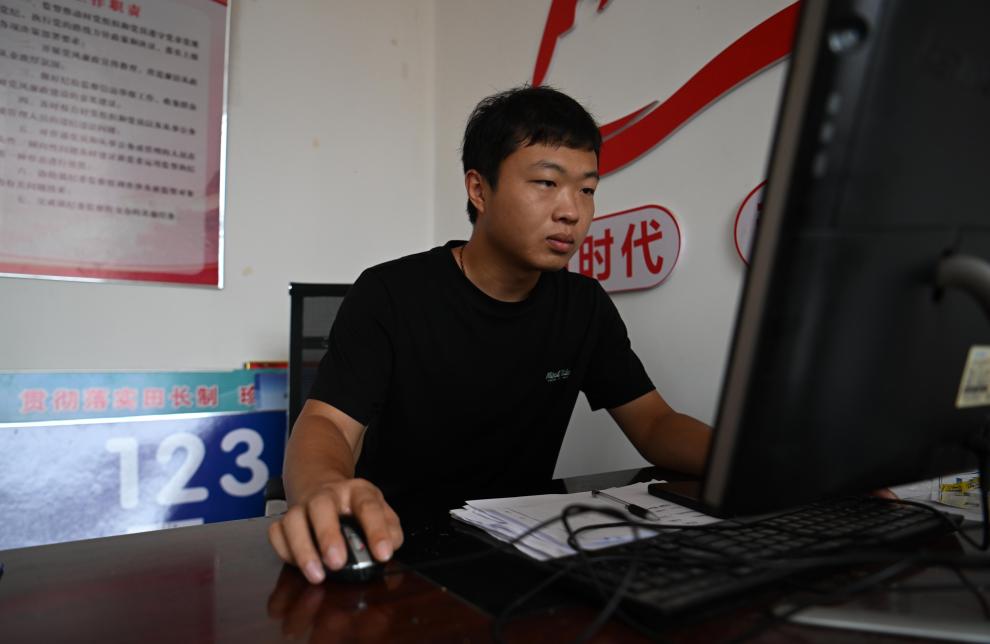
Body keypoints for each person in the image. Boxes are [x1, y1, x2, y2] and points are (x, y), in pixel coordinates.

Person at [268, 86, 713, 584]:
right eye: (546, 182)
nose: (571, 211)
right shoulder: (390, 293)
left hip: (524, 551)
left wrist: (747, 458)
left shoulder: (584, 305)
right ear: (479, 190)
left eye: (587, 190)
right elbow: (327, 423)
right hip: (397, 550)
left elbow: (654, 423)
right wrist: (323, 488)